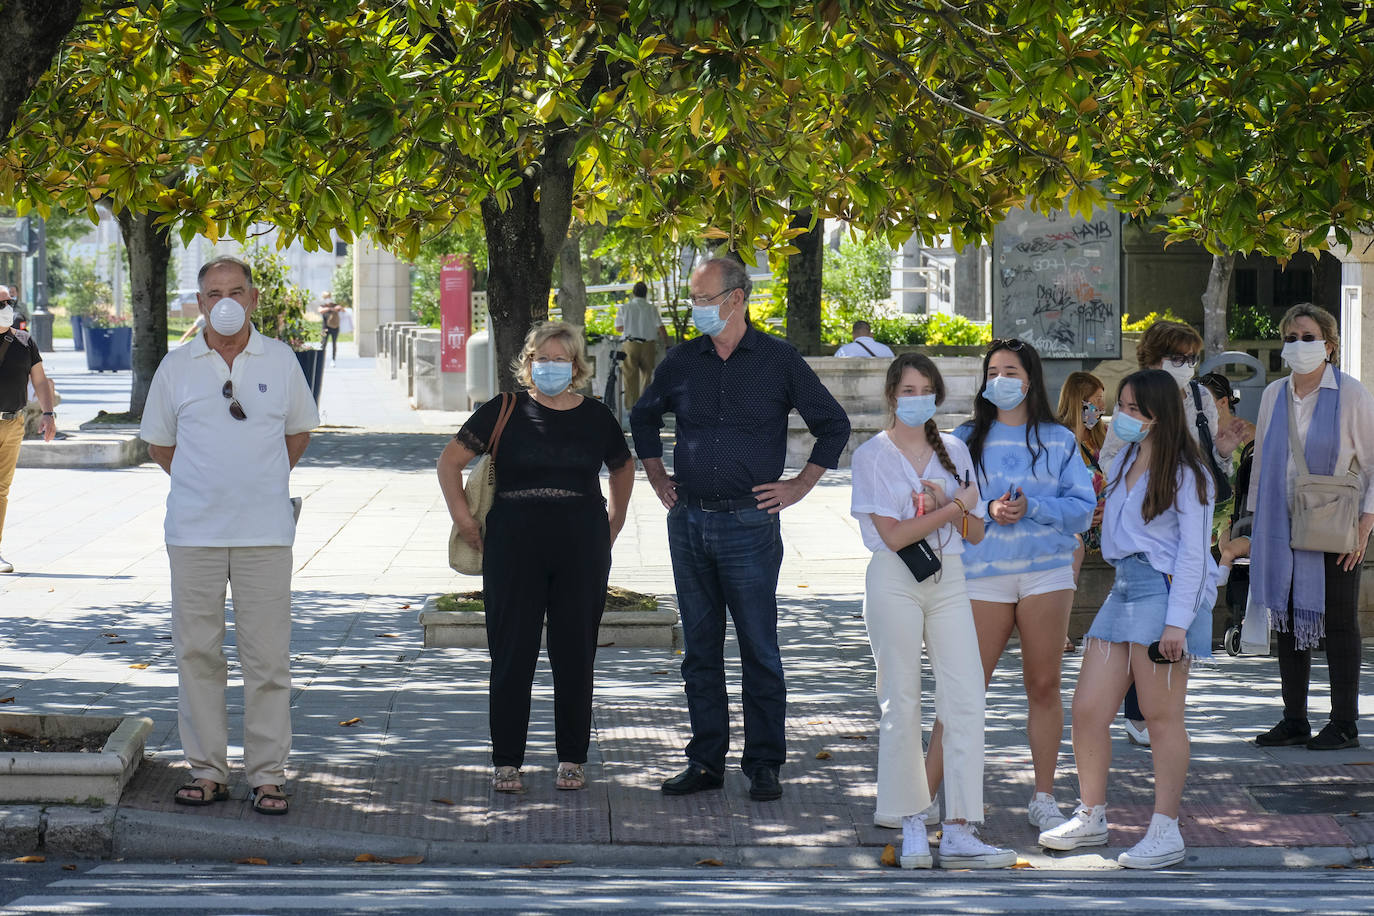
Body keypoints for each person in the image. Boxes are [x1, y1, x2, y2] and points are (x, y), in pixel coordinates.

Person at [630, 257, 850, 802]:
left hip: (750, 523)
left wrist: (799, 486)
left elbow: (833, 424)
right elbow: (642, 416)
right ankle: (705, 761)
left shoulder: (777, 359)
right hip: (689, 521)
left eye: (704, 298)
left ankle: (764, 764)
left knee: (759, 647)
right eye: (692, 299)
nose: (695, 308)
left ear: (736, 299)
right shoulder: (682, 360)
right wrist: (656, 473)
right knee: (699, 650)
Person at [139, 256, 319, 815]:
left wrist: (256, 485)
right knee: (198, 653)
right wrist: (206, 486)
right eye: (214, 292)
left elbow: (296, 434)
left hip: (265, 533)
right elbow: (160, 446)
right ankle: (206, 771)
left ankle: (267, 775)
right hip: (193, 534)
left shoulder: (283, 360)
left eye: (236, 290)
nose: (225, 301)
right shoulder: (175, 366)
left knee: (268, 659)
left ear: (253, 299)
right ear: (199, 303)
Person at [438, 321, 634, 793]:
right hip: (513, 545)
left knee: (575, 654)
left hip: (581, 546)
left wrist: (616, 519)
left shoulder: (596, 416)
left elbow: (622, 467)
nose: (550, 367)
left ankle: (572, 758)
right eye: (541, 359)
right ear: (528, 363)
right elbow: (449, 462)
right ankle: (507, 760)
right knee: (511, 653)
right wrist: (466, 521)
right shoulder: (503, 409)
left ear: (577, 365)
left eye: (560, 359)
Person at [1038, 368, 1216, 868]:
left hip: (1162, 592)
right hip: (1124, 588)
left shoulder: (1187, 472)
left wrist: (1177, 624)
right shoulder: (1124, 458)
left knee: (1160, 717)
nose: (1125, 416)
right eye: (1124, 406)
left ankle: (1166, 829)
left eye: (1136, 409)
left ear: (1161, 414)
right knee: (1089, 708)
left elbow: (1193, 556)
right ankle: (1092, 814)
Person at [852, 353, 1016, 869]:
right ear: (891, 396)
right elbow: (896, 534)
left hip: (949, 577)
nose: (915, 398)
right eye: (906, 390)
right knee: (900, 702)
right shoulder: (872, 455)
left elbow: (977, 531)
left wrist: (956, 504)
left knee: (965, 697)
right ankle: (913, 824)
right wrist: (954, 505)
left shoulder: (956, 450)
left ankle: (962, 825)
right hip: (894, 578)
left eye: (925, 389)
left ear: (937, 396)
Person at [926, 338, 1095, 832]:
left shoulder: (1059, 440)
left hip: (1047, 574)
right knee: (963, 690)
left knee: (1043, 685)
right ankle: (921, 799)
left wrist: (1034, 507)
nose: (1001, 379)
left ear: (1031, 378)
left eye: (1012, 371)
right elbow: (947, 505)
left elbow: (1082, 509)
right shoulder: (964, 438)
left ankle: (1044, 796)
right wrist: (986, 510)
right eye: (993, 370)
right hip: (981, 578)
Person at [1100, 320, 1243, 747]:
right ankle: (1140, 713)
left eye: (1192, 358)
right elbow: (1111, 462)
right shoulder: (1134, 402)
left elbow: (1213, 467)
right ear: (1155, 355)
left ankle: (1154, 715)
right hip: (1143, 528)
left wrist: (1223, 451)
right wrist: (1142, 477)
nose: (1186, 365)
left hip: (1190, 508)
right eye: (1177, 357)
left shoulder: (1201, 397)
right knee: (1135, 629)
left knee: (1173, 613)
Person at [1240, 304, 1374, 751]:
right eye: (1291, 337)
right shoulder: (1276, 394)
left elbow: (1372, 463)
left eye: (1307, 336)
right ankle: (1294, 718)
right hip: (1281, 522)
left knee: (1338, 621)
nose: (1298, 344)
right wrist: (1256, 524)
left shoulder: (1351, 393)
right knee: (1287, 617)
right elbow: (1262, 462)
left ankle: (1344, 724)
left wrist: (1366, 524)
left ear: (1329, 345)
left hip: (1335, 523)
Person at [0, 285, 57, 574]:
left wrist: (48, 413)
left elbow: (39, 380)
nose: (7, 307)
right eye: (1, 304)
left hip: (13, 423)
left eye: (9, 302)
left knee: (1, 489)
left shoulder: (23, 341)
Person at [1056, 371, 1108, 582]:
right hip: (1072, 525)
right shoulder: (1057, 438)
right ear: (1080, 401)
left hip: (1105, 524)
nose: (1103, 407)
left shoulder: (1104, 434)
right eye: (1097, 400)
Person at [613, 281, 667, 410]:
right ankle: (644, 405)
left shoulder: (624, 308)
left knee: (630, 377)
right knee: (646, 376)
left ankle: (631, 407)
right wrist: (666, 343)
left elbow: (618, 328)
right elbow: (661, 327)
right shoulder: (651, 308)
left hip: (630, 344)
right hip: (648, 345)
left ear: (633, 293)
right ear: (645, 293)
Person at [318, 293, 344, 365]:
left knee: (334, 343)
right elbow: (320, 310)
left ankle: (333, 359)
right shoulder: (323, 306)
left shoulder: (334, 305)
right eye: (326, 298)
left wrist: (336, 308)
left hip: (335, 327)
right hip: (325, 328)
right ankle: (321, 359)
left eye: (329, 297)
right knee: (323, 343)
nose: (328, 299)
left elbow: (342, 309)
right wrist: (330, 309)